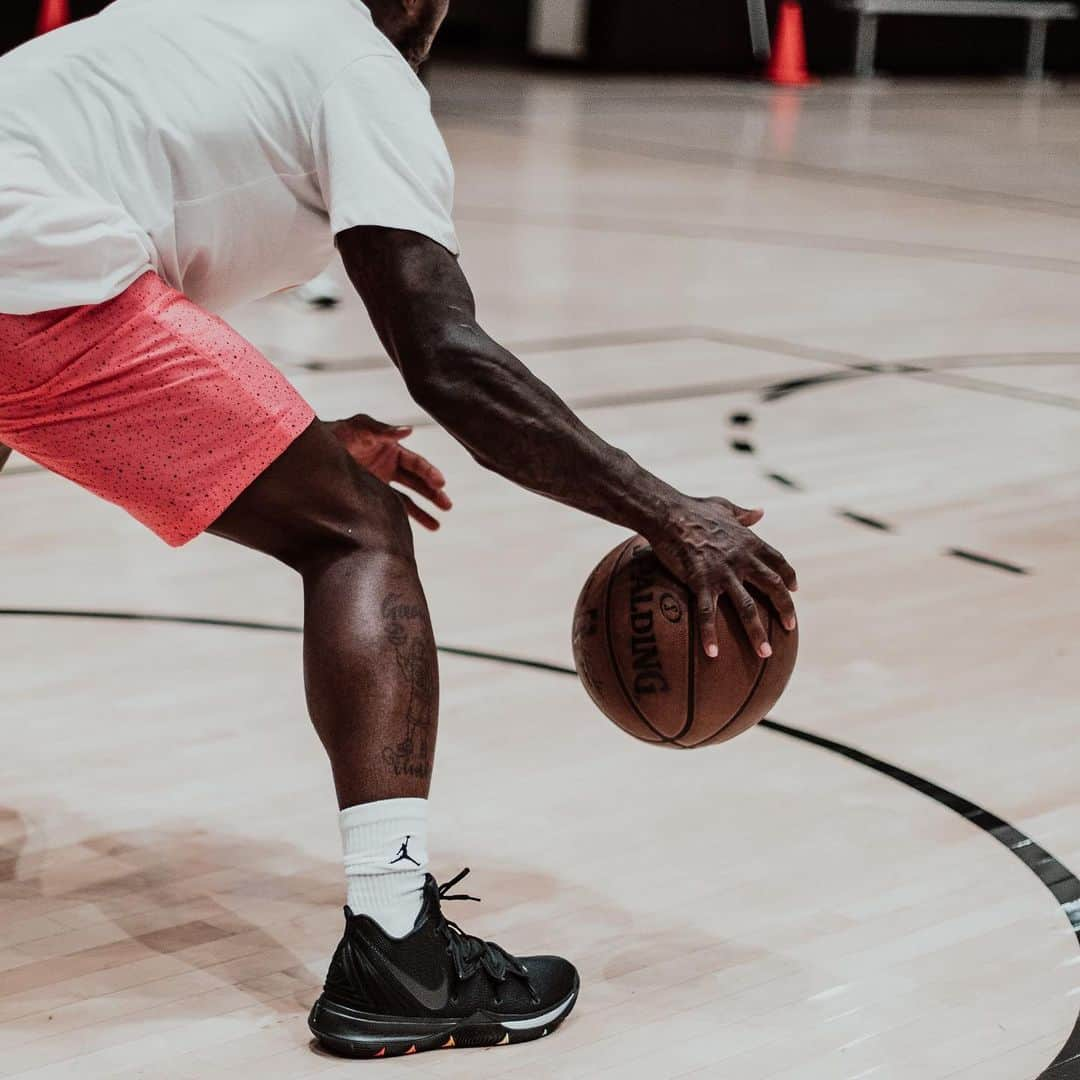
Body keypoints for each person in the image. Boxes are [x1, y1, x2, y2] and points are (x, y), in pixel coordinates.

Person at [0, 0, 797, 1059]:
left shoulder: (225, 19)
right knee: (358, 531)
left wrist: (302, 436)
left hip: (31, 247)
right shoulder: (359, 66)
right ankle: (397, 951)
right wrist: (669, 514)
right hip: (33, 261)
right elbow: (448, 357)